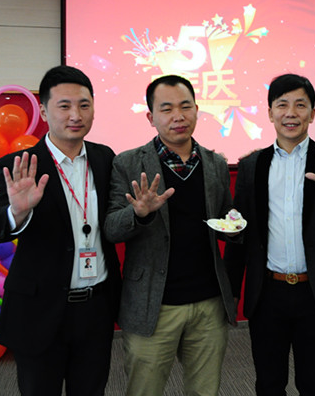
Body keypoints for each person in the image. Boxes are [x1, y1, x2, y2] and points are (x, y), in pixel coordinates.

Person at [0, 65, 121, 396]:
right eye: (64, 106)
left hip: (95, 308)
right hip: (39, 309)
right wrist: (18, 210)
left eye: (84, 105)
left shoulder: (105, 158)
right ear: (44, 111)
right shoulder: (19, 164)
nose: (76, 115)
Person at [224, 73, 315, 395]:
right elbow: (239, 230)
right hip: (267, 293)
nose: (291, 113)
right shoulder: (252, 165)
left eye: (300, 105)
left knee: (313, 382)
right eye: (282, 104)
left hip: (314, 291)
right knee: (268, 382)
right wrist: (231, 290)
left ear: (312, 114)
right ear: (270, 112)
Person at [104, 74, 238, 396]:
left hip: (208, 302)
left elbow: (225, 216)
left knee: (205, 391)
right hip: (152, 303)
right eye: (166, 109)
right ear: (151, 117)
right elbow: (111, 228)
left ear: (197, 110)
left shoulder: (215, 163)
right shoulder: (127, 163)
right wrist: (139, 213)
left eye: (185, 106)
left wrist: (235, 225)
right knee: (144, 391)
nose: (178, 116)